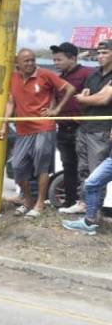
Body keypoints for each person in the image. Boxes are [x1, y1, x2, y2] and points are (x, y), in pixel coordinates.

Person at [3, 48, 71, 217]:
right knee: (17, 165)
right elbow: (11, 102)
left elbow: (69, 89)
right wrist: (4, 125)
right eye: (26, 61)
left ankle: (40, 202)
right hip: (23, 129)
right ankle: (27, 199)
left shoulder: (46, 74)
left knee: (42, 166)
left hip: (44, 127)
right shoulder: (13, 78)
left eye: (32, 60)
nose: (30, 63)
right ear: (18, 62)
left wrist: (56, 110)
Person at [63, 40, 112, 229]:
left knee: (96, 173)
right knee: (83, 169)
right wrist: (87, 99)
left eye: (105, 52)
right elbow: (83, 101)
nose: (100, 56)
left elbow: (104, 98)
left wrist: (87, 98)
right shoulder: (94, 75)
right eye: (98, 53)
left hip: (102, 129)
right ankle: (84, 205)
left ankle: (95, 214)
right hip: (85, 126)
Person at [51, 43, 94, 213]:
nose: (56, 62)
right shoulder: (59, 78)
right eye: (54, 59)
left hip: (82, 130)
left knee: (85, 168)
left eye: (59, 59)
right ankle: (69, 203)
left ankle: (86, 205)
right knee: (68, 166)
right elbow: (54, 100)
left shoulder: (88, 74)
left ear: (73, 58)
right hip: (63, 129)